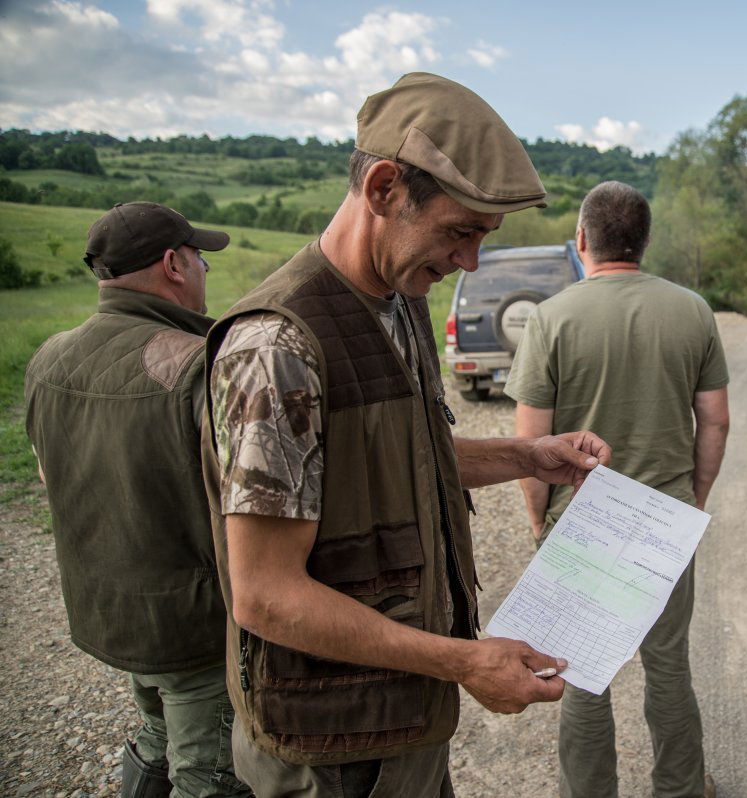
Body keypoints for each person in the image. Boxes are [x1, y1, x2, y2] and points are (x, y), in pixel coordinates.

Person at [201, 72, 611, 798]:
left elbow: (395, 461)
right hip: (330, 748)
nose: (470, 264)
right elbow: (263, 594)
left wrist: (527, 455)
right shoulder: (277, 348)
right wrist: (463, 662)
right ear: (385, 189)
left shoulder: (397, 299)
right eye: (459, 232)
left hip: (402, 720)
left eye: (483, 239)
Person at [506, 181, 730, 798]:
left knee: (583, 674)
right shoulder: (692, 311)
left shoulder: (551, 319)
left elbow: (531, 446)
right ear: (645, 241)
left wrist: (538, 522)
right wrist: (695, 500)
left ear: (582, 241)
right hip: (666, 519)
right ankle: (681, 789)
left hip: (580, 524)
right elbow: (716, 420)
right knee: (668, 670)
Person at [24, 202, 249, 798]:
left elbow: (50, 476)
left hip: (110, 615)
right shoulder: (197, 363)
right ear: (173, 264)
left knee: (154, 736)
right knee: (214, 777)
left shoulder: (46, 359)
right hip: (193, 631)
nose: (205, 269)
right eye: (200, 256)